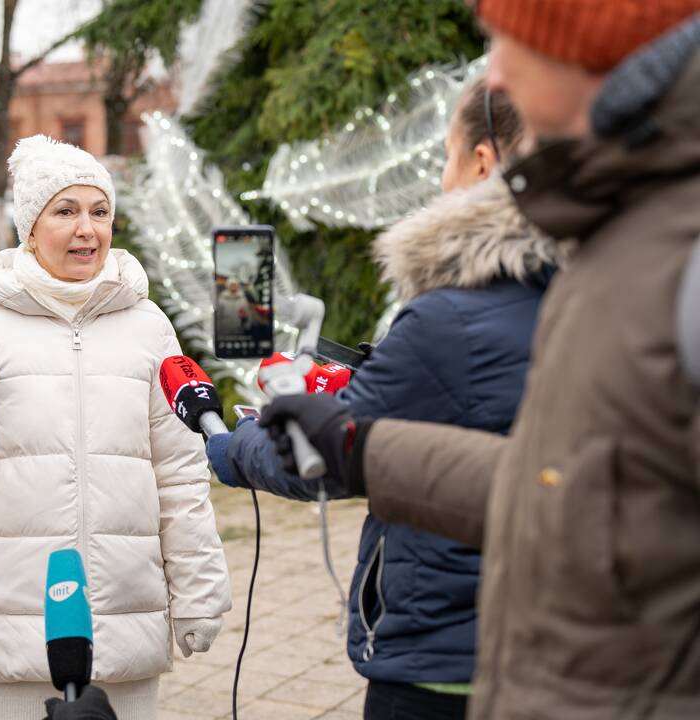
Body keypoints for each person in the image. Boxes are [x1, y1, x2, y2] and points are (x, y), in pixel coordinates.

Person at [257, 3, 700, 718]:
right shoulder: (609, 233)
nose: (492, 71)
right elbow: (567, 490)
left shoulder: (672, 246)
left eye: (508, 39)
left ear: (582, 44)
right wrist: (361, 447)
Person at [213, 78, 565, 719]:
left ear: (482, 161)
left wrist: (230, 446)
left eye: (448, 157)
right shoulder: (609, 293)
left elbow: (328, 458)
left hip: (448, 662)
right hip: (581, 649)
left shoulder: (446, 320)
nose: (441, 177)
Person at [0, 135, 231, 720]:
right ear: (30, 228)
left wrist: (199, 593)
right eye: (65, 211)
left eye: (100, 211)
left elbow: (180, 474)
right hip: (12, 631)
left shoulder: (149, 326)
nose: (87, 229)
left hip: (124, 631)